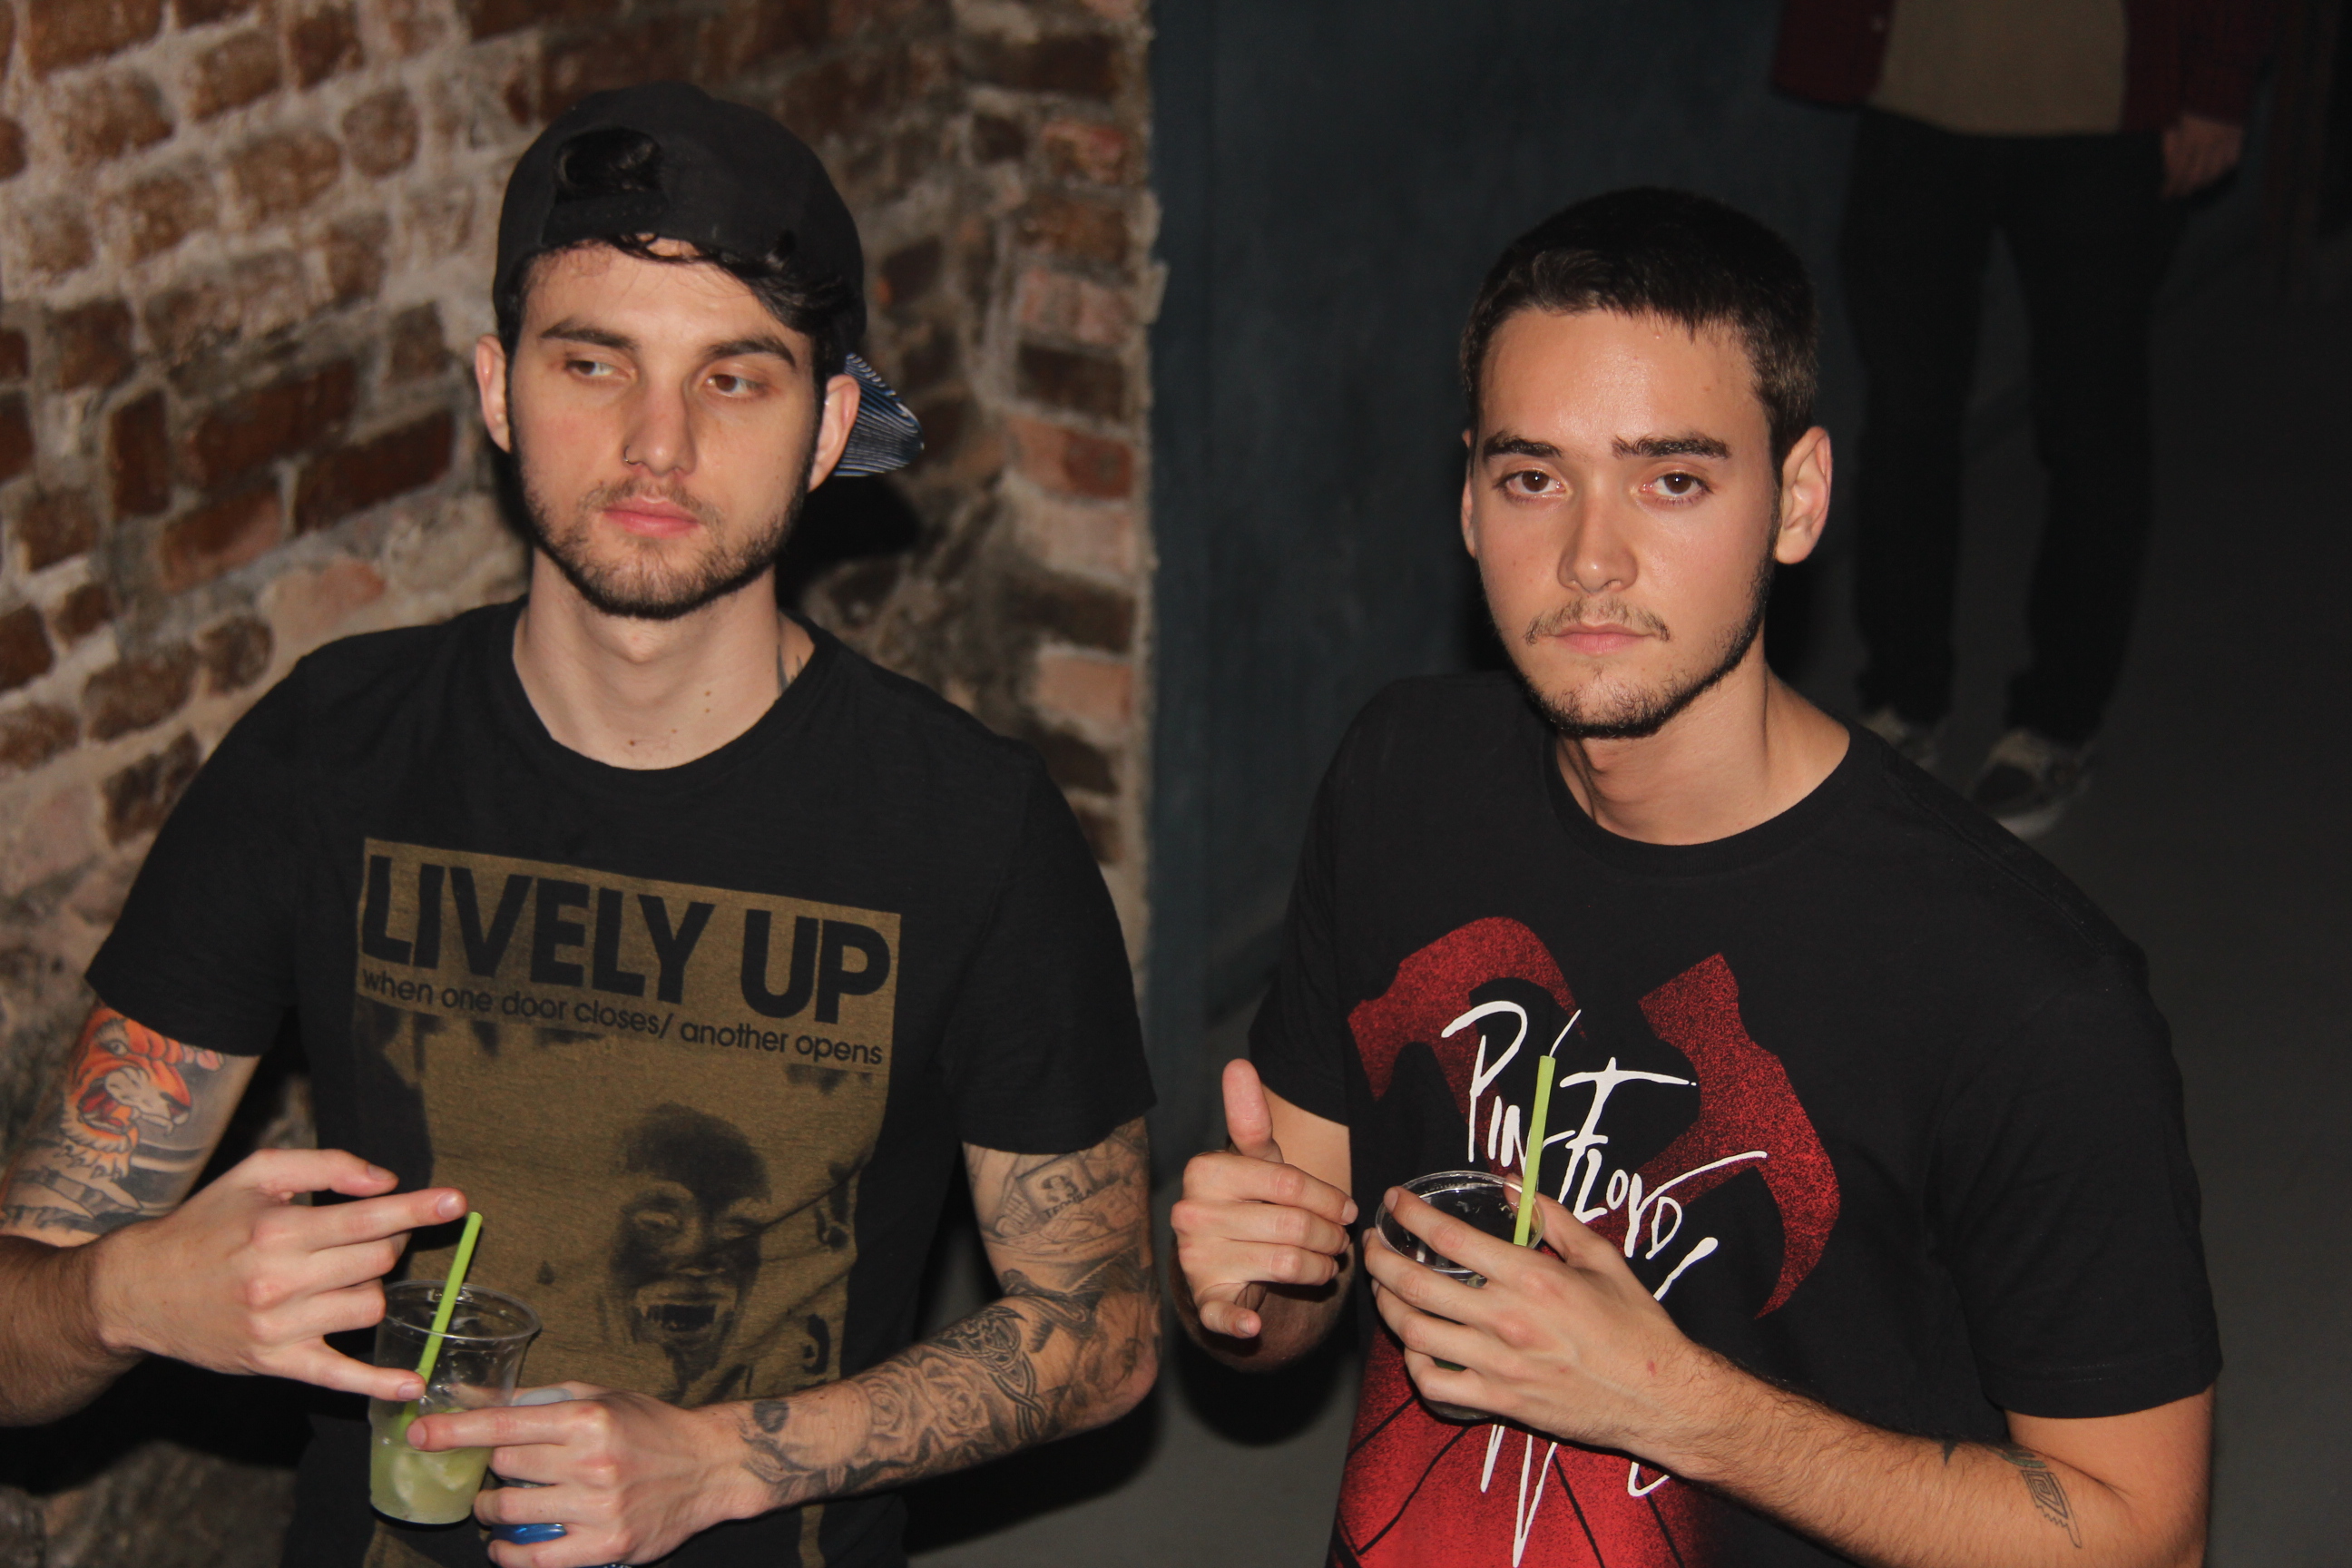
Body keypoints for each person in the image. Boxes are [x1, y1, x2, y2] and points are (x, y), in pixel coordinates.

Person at [0, 82, 1158, 1568]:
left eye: (734, 378)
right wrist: (121, 1297)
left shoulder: (964, 825)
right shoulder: (327, 755)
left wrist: (718, 1463)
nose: (656, 444)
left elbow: (1102, 1327)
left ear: (828, 428)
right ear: (498, 391)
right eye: (594, 363)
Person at [1171, 189, 2219, 1568]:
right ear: (1470, 500)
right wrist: (1251, 1286)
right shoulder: (1399, 780)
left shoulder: (2026, 992)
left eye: (1673, 480)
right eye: (1534, 478)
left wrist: (1674, 1405)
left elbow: (2144, 1536)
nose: (1590, 559)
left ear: (1798, 500)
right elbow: (1291, 1310)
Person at [1772, 0, 2277, 837]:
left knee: (2092, 427)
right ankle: (1900, 701)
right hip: (1914, 98)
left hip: (2105, 111)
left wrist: (2219, 85)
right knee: (1904, 425)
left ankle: (2059, 723)